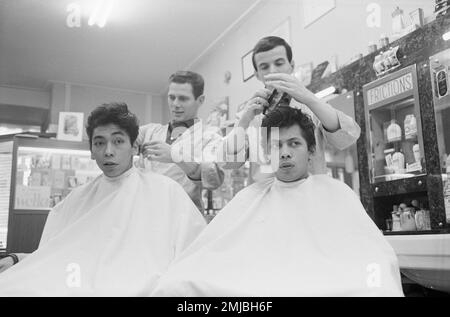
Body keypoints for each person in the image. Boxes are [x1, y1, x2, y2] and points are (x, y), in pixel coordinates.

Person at [152, 107, 403, 296]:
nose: (284, 152)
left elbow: (374, 259)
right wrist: (244, 119)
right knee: (175, 284)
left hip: (318, 279)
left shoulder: (336, 193)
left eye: (294, 144)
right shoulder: (251, 198)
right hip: (260, 282)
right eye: (276, 146)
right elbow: (213, 254)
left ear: (312, 151)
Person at [0, 103, 206, 296]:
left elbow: (195, 255)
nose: (108, 151)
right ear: (91, 151)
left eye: (118, 141)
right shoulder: (76, 200)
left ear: (134, 147)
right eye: (99, 143)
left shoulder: (167, 192)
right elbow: (54, 255)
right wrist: (19, 259)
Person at [218, 36, 361, 178]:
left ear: (291, 66)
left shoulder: (311, 106)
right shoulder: (249, 116)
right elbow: (229, 162)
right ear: (257, 74)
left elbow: (347, 137)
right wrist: (243, 122)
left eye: (279, 63)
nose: (273, 70)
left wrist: (310, 99)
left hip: (310, 194)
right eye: (264, 67)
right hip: (267, 197)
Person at [137, 71, 224, 211]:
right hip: (146, 212)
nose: (175, 104)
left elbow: (212, 179)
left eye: (183, 99)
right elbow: (121, 139)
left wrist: (176, 156)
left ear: (200, 100)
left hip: (185, 218)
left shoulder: (210, 135)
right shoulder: (150, 131)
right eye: (171, 97)